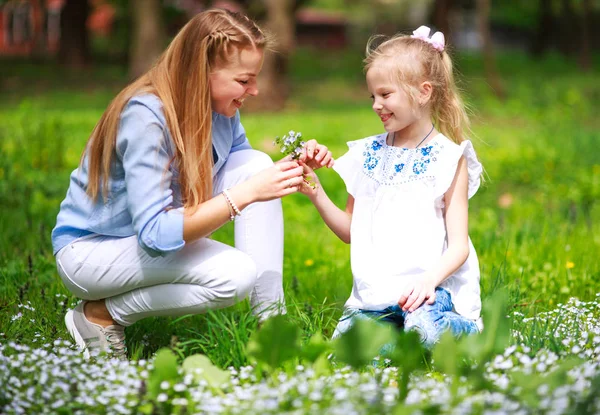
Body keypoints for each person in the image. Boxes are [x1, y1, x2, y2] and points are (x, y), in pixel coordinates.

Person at [51, 9, 333, 360]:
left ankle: (271, 330)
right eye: (244, 81)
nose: (255, 90)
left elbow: (245, 171)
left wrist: (289, 168)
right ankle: (99, 316)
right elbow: (154, 234)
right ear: (202, 71)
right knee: (235, 276)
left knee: (257, 163)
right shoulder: (145, 118)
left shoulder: (218, 110)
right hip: (93, 253)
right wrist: (245, 194)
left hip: (147, 240)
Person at [299, 26, 483, 348]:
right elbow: (350, 231)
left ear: (423, 92)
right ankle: (393, 333)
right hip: (376, 296)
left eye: (385, 95)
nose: (376, 105)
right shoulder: (368, 155)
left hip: (430, 291)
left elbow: (459, 247)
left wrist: (428, 281)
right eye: (373, 96)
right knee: (348, 351)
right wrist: (315, 190)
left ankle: (464, 330)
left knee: (424, 331)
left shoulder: (449, 159)